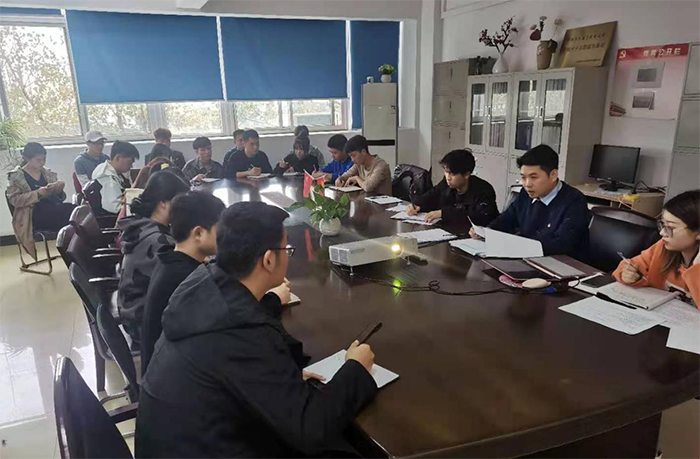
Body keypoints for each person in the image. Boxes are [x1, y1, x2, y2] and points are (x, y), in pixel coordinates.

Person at [136, 201, 378, 459]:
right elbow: (310, 430)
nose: (287, 256)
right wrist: (356, 368)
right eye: (287, 249)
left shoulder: (203, 284)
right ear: (269, 260)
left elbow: (234, 372)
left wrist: (279, 380)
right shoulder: (243, 331)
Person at [141, 191, 226, 374]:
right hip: (172, 378)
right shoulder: (189, 279)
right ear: (198, 233)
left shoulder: (169, 259)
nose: (225, 236)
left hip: (162, 369)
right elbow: (225, 324)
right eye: (220, 230)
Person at [477, 144, 590, 259]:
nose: (527, 184)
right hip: (527, 258)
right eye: (523, 177)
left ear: (553, 175)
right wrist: (486, 232)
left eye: (533, 177)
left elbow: (562, 244)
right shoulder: (525, 194)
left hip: (560, 263)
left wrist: (519, 247)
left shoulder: (574, 201)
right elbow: (507, 219)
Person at [117, 171, 190, 348]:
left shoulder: (143, 225)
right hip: (144, 325)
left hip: (133, 311)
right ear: (163, 203)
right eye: (179, 203)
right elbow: (184, 285)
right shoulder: (159, 241)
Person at [613, 190, 700, 308]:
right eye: (663, 225)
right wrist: (628, 274)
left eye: (670, 227)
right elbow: (630, 265)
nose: (662, 232)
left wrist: (697, 268)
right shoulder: (663, 248)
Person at [7, 142, 75, 260]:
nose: (42, 162)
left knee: (73, 210)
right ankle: (73, 251)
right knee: (71, 211)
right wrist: (37, 194)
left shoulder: (47, 173)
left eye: (44, 159)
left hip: (53, 209)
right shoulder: (17, 177)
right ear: (27, 159)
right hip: (33, 215)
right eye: (38, 160)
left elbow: (59, 198)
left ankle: (74, 250)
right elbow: (15, 200)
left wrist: (59, 190)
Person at [408, 149, 499, 225]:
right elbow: (431, 195)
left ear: (466, 174)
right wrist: (416, 205)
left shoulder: (484, 190)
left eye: (453, 174)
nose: (448, 177)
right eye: (446, 172)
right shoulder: (446, 183)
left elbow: (479, 216)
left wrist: (443, 213)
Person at [91, 140, 140, 215]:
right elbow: (115, 208)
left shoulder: (110, 169)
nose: (131, 166)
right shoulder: (108, 178)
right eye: (130, 162)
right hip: (114, 218)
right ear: (118, 157)